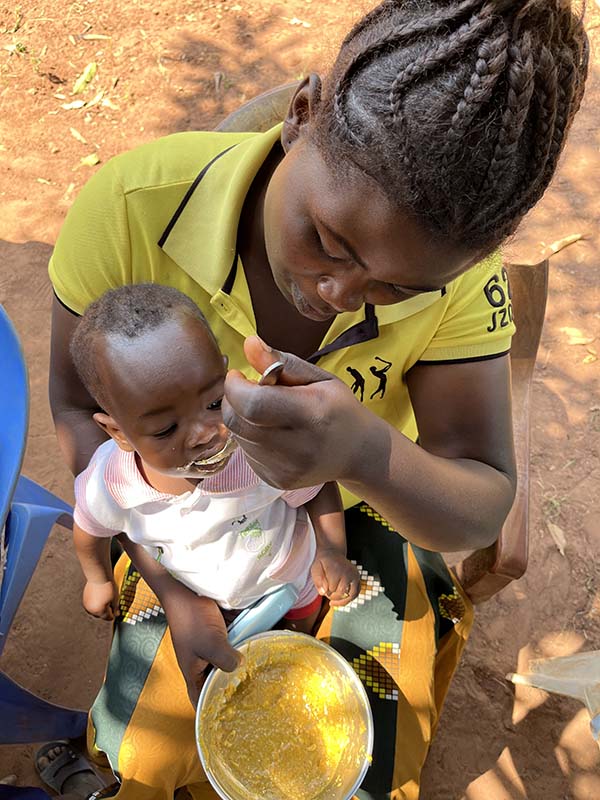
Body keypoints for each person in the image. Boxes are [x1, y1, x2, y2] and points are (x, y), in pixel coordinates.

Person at [43, 0, 588, 797]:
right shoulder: (131, 209)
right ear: (301, 114)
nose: (336, 295)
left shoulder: (469, 283)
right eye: (328, 241)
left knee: (351, 766)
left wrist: (365, 453)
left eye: (403, 288)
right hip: (174, 529)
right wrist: (169, 584)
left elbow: (477, 506)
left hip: (366, 513)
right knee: (148, 757)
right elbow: (72, 408)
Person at [69, 283, 358, 644]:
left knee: (297, 638)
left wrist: (332, 551)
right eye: (166, 429)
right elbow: (88, 529)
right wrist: (97, 579)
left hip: (286, 577)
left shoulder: (259, 452)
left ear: (224, 374)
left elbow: (317, 487)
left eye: (213, 402)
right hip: (202, 592)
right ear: (119, 432)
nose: (205, 434)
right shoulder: (112, 485)